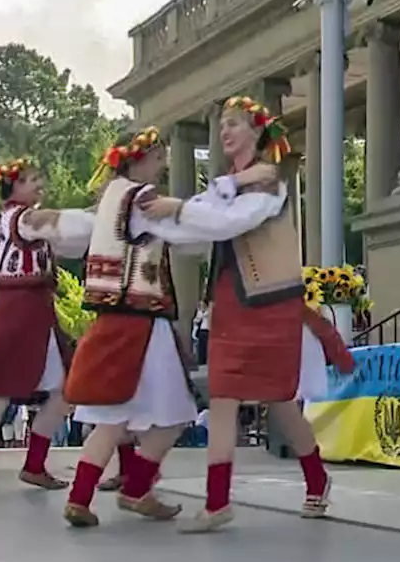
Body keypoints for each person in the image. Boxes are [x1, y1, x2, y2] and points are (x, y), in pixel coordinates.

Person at [139, 96, 355, 533]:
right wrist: (140, 220)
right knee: (222, 397)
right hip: (232, 304)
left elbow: (224, 225)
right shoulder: (226, 185)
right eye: (223, 125)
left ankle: (316, 478)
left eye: (235, 124)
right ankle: (218, 503)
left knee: (278, 400)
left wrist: (174, 209)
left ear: (257, 132)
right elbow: (193, 229)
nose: (226, 132)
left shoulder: (269, 183)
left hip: (271, 305)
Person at [61, 126, 285, 527]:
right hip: (142, 325)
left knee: (112, 419)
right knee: (176, 413)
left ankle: (83, 497)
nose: (165, 164)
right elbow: (191, 227)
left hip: (111, 321)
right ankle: (136, 489)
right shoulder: (142, 199)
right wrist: (236, 195)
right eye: (160, 156)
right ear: (141, 157)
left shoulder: (112, 197)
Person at [0, 157, 94, 495]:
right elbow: (57, 223)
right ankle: (30, 465)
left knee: (1, 393)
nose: (39, 184)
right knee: (57, 391)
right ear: (14, 186)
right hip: (24, 308)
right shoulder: (26, 217)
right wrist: (108, 210)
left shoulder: (4, 218)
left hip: (15, 308)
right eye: (32, 179)